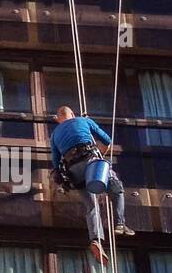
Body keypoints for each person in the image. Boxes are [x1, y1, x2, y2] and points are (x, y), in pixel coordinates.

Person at [50, 106, 133, 263]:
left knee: (92, 206)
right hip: (91, 162)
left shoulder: (54, 135)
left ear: (58, 118)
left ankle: (96, 239)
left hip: (73, 173)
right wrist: (103, 151)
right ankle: (120, 223)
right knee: (116, 186)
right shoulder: (83, 120)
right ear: (73, 114)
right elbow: (106, 139)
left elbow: (55, 161)